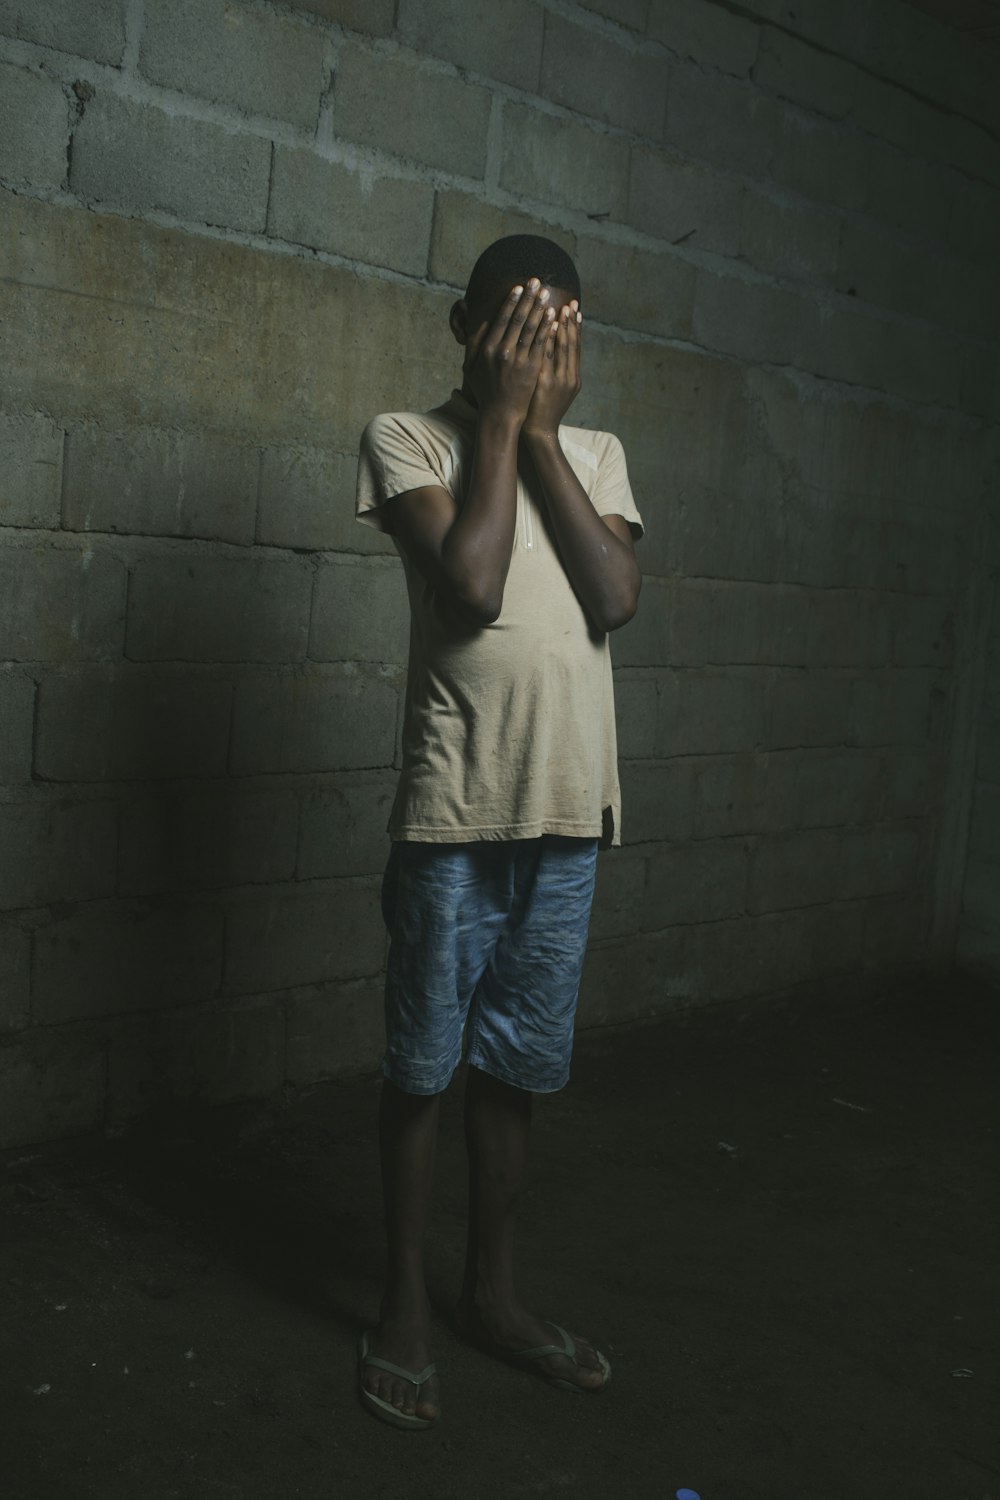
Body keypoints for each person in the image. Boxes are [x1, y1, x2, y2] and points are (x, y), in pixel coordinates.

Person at [353, 234, 643, 1430]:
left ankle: (494, 1294)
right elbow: (471, 584)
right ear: (462, 324)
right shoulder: (406, 438)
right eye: (514, 329)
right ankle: (405, 1306)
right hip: (455, 811)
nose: (534, 354)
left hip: (567, 813)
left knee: (513, 1068)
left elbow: (615, 596)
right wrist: (501, 424)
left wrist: (539, 435)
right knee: (423, 1065)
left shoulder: (599, 453)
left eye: (556, 332)